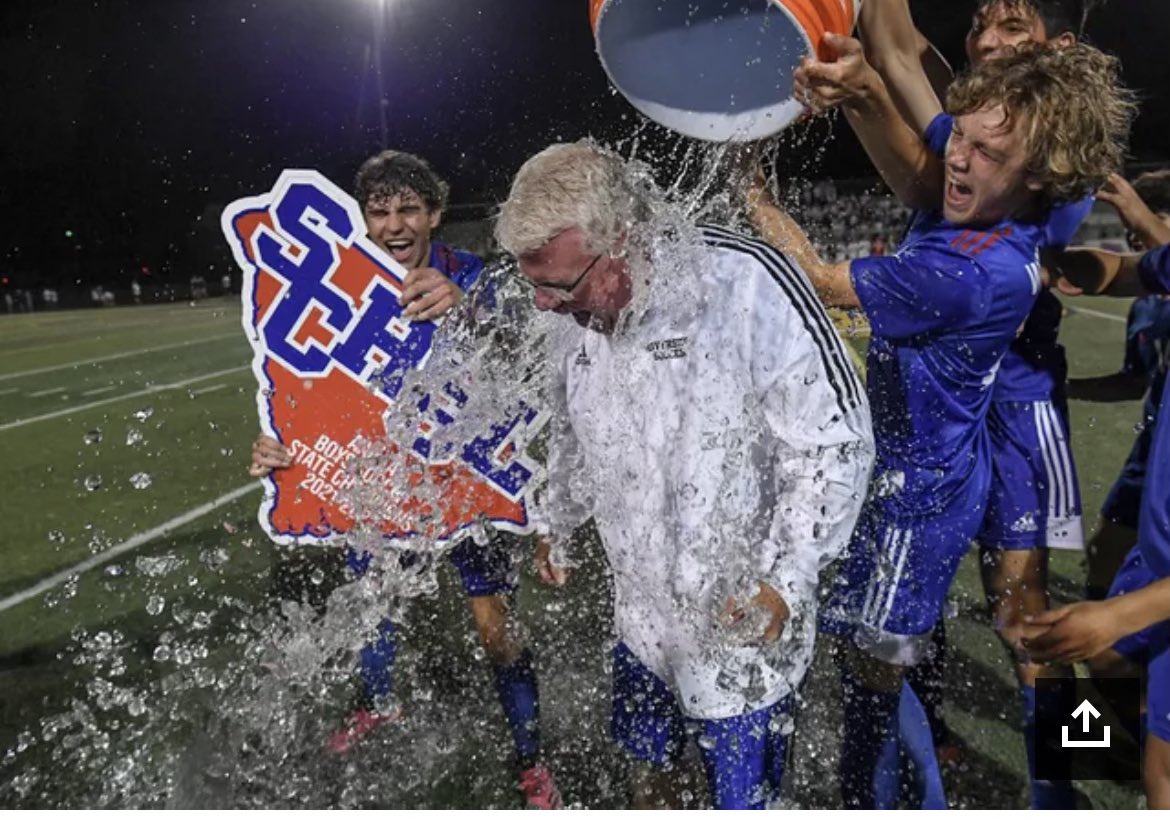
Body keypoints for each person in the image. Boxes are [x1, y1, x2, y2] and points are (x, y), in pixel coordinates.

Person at [748, 41, 1133, 807]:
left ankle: (1078, 773)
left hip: (1016, 430)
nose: (959, 157)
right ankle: (1050, 762)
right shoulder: (990, 174)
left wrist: (752, 193)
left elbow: (828, 280)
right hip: (961, 435)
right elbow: (904, 98)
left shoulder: (978, 248)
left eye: (1015, 22)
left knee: (1030, 628)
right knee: (923, 641)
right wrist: (860, 86)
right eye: (984, 26)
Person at [496, 141, 874, 809]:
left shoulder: (741, 282)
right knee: (653, 781)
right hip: (640, 621)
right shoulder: (569, 311)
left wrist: (785, 580)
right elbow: (572, 419)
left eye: (556, 285)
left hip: (742, 625)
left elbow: (835, 444)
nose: (544, 305)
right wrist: (558, 519)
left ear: (620, 239)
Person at [248, 149, 560, 809]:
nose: (394, 224)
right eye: (380, 210)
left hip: (466, 477)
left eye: (408, 209)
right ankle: (378, 701)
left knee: (496, 631)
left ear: (435, 214)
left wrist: (465, 311)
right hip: (384, 475)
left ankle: (531, 759)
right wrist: (284, 448)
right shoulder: (343, 282)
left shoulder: (471, 277)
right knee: (370, 607)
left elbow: (532, 359)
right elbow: (313, 391)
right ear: (363, 219)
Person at [1026, 238, 1170, 808]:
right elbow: (1131, 271)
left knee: (1163, 778)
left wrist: (1116, 615)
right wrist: (1068, 260)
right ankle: (1105, 759)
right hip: (1154, 557)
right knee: (1095, 661)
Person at [1074, 170, 1170, 599]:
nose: (1134, 238)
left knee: (1123, 633)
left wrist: (1140, 217)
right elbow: (1133, 383)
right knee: (1103, 553)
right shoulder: (1148, 305)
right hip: (1153, 449)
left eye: (1147, 224)